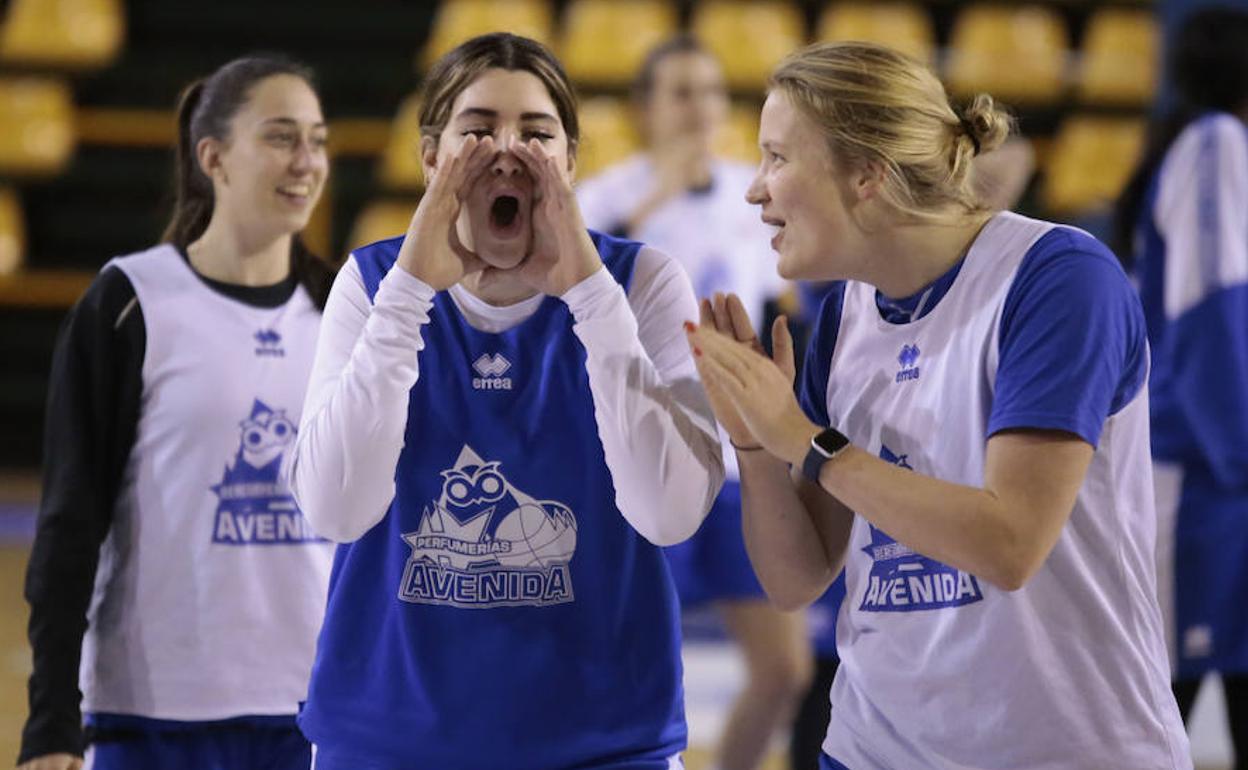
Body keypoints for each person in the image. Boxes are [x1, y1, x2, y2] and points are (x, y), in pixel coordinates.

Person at [683, 41, 1192, 769]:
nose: (754, 190)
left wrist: (803, 439)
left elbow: (1008, 544)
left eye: (777, 158)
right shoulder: (843, 314)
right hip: (872, 749)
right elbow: (796, 581)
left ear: (867, 175)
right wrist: (757, 442)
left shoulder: (1059, 279)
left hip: (1072, 751)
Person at [289, 33, 723, 769]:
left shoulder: (643, 283)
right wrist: (408, 297)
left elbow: (670, 513)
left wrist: (590, 294)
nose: (507, 149)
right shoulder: (371, 284)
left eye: (536, 132)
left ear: (571, 164)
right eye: (479, 129)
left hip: (606, 744)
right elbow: (336, 508)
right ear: (432, 160)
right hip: (389, 742)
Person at [17, 55, 337, 770]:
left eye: (317, 140)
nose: (307, 161)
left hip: (313, 713)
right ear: (213, 156)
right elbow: (71, 522)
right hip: (151, 716)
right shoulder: (130, 300)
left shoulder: (344, 311)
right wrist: (51, 722)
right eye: (281, 137)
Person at [576, 36, 809, 770]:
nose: (700, 107)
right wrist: (656, 199)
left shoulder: (755, 191)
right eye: (680, 91)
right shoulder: (606, 197)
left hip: (740, 465)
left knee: (785, 672)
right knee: (629, 673)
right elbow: (574, 304)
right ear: (645, 108)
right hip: (642, 460)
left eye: (711, 91)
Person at [1114, 7, 1248, 763]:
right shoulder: (1217, 143)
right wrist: (1238, 453)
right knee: (1158, 710)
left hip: (1216, 466)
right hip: (1199, 470)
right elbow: (1209, 313)